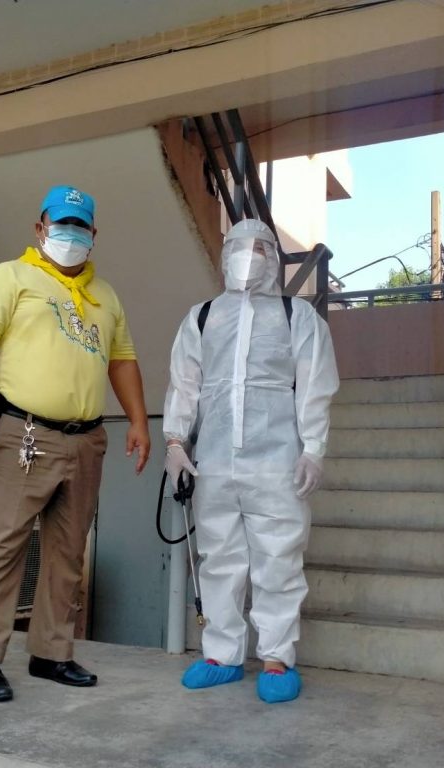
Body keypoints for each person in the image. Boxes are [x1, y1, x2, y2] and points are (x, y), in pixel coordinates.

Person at [0, 185, 150, 703]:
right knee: (2, 545)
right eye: (60, 223)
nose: (70, 233)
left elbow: (122, 361)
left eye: (79, 226)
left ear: (94, 234)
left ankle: (51, 653)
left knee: (68, 551)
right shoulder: (11, 277)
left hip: (85, 440)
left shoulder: (106, 295)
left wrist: (138, 421)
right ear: (39, 228)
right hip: (24, 432)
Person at [162, 218, 338, 704]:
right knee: (219, 559)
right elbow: (185, 384)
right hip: (214, 463)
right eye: (239, 247)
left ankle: (277, 658)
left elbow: (315, 386)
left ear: (274, 259)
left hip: (277, 462)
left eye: (260, 248)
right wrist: (175, 441)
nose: (249, 256)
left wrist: (314, 449)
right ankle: (222, 655)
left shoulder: (297, 317)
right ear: (224, 257)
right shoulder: (201, 317)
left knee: (278, 560)